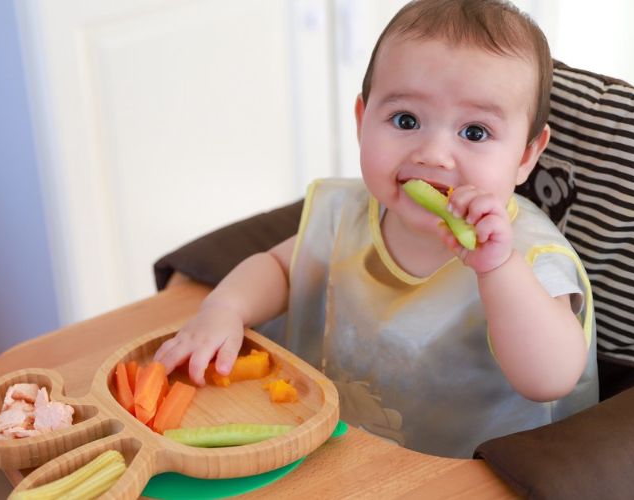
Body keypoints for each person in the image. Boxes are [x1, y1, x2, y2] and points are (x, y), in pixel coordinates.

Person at [154, 0, 598, 458]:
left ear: (526, 155)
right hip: (334, 449)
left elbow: (550, 379)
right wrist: (224, 309)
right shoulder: (347, 214)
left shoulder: (528, 257)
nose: (433, 154)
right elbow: (279, 269)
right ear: (363, 120)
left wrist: (497, 268)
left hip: (456, 475)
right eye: (406, 120)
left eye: (475, 132)